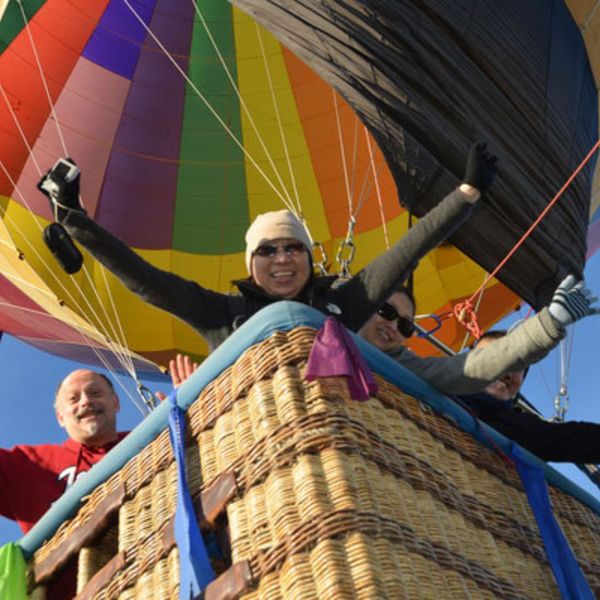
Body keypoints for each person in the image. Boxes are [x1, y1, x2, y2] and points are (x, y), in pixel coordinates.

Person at [38, 144, 496, 351]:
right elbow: (146, 281)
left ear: (308, 256)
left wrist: (466, 195)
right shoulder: (223, 314)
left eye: (293, 248)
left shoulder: (343, 303)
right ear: (251, 264)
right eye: (268, 251)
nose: (282, 259)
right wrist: (75, 221)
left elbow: (408, 251)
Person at [357, 275, 599, 397]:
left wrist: (548, 325)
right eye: (386, 311)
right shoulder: (328, 315)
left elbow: (467, 368)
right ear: (366, 304)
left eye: (406, 327)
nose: (393, 326)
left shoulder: (402, 365)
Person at [0, 370, 125, 534]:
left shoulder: (153, 439)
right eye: (73, 399)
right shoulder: (25, 465)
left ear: (115, 402)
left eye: (95, 393)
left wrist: (171, 421)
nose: (86, 401)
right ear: (60, 417)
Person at [458, 332, 600, 463]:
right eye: (494, 357)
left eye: (518, 365)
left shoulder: (518, 426)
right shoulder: (440, 385)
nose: (508, 371)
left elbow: (573, 439)